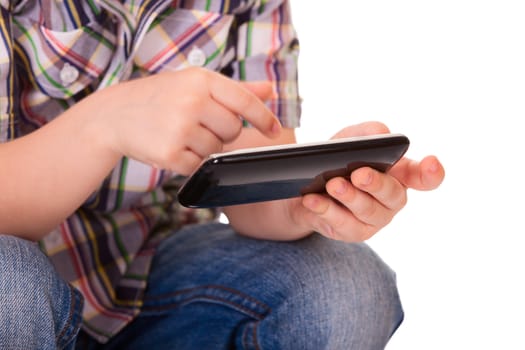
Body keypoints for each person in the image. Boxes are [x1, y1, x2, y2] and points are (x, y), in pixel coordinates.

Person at [0, 0, 445, 349]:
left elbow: (253, 174)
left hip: (150, 272)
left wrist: (305, 198)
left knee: (348, 284)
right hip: (24, 286)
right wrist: (106, 124)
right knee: (11, 285)